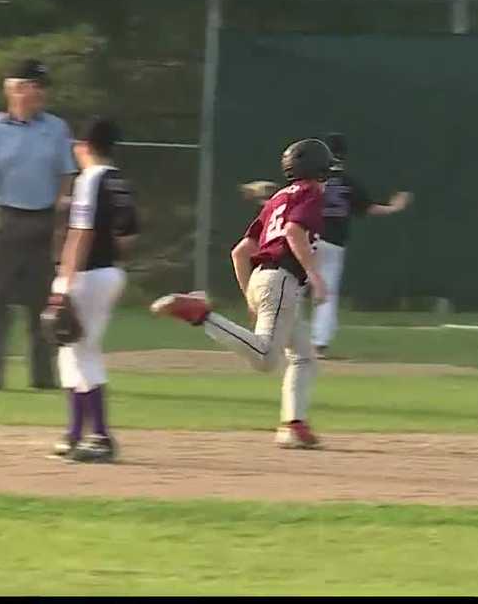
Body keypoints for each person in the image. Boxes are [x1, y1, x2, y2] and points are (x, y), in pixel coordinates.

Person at [150, 138, 331, 449]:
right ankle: (201, 314)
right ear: (319, 170)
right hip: (282, 280)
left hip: (264, 279)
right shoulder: (310, 193)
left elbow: (240, 252)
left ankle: (294, 425)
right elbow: (293, 232)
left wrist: (250, 294)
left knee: (303, 356)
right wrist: (315, 274)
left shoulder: (277, 199)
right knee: (265, 358)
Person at [0, 59, 77, 390]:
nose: (40, 93)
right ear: (15, 89)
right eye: (34, 86)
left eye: (43, 87)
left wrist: (60, 221)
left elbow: (66, 176)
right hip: (3, 219)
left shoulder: (56, 128)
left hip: (42, 221)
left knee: (43, 302)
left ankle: (43, 375)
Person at [48, 118, 140, 463]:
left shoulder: (90, 179)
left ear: (83, 147)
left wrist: (66, 283)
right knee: (70, 351)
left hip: (85, 274)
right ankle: (74, 434)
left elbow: (80, 233)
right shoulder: (120, 183)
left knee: (82, 351)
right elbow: (127, 237)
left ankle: (99, 436)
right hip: (110, 272)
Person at [310, 132, 412, 358]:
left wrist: (262, 199)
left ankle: (284, 339)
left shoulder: (311, 180)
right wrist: (395, 208)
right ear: (344, 155)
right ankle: (319, 344)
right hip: (334, 243)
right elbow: (369, 208)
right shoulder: (349, 182)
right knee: (327, 293)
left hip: (307, 239)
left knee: (292, 288)